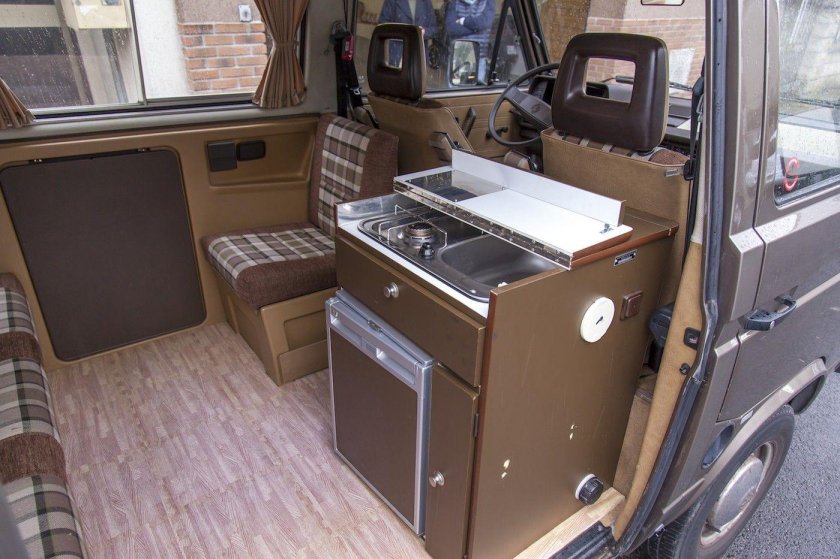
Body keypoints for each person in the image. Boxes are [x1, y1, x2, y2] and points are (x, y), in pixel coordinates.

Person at [445, 0, 496, 82]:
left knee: (476, 89)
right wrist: (476, 29)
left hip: (479, 56)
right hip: (458, 57)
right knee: (455, 89)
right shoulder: (455, 2)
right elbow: (451, 28)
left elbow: (484, 22)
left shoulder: (488, 1)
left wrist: (462, 21)